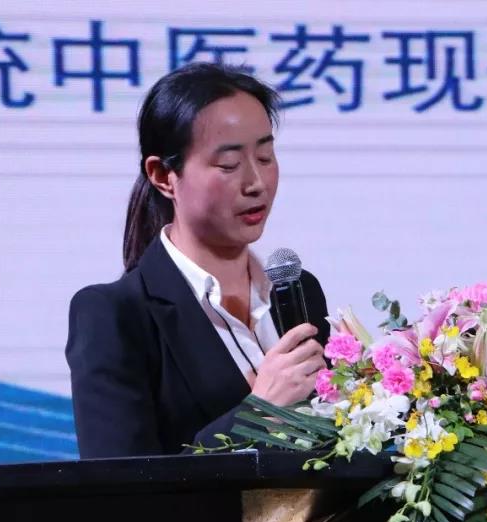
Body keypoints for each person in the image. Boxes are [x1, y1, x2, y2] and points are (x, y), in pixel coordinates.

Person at [66, 63, 329, 459]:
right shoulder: (115, 315)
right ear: (162, 175)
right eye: (228, 165)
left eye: (265, 156)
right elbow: (119, 486)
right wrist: (261, 413)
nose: (256, 183)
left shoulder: (297, 289)